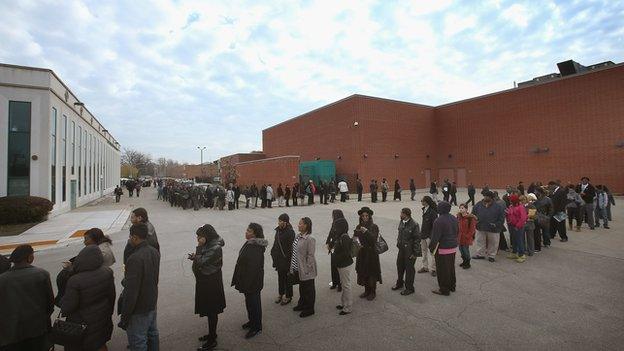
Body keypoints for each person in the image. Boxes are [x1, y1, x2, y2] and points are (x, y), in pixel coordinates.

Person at [60, 245, 116, 351]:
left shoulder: (75, 280)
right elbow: (111, 296)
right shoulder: (107, 272)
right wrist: (108, 313)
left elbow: (68, 307)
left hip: (81, 323)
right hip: (102, 318)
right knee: (100, 344)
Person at [0, 245, 54, 351]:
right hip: (37, 330)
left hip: (11, 333)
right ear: (29, 257)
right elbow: (50, 303)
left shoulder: (3, 279)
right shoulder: (42, 274)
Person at [118, 223, 161, 350]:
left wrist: (125, 316)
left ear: (135, 237)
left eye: (130, 236)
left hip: (139, 308)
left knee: (138, 342)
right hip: (151, 302)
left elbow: (131, 292)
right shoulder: (154, 252)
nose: (129, 239)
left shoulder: (135, 259)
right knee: (152, 334)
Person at [189, 224, 226, 350]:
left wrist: (198, 251)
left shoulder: (215, 247)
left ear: (207, 236)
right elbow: (202, 259)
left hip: (211, 282)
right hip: (206, 280)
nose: (198, 239)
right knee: (209, 309)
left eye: (200, 236)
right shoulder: (209, 244)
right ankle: (211, 334)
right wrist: (196, 256)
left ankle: (212, 340)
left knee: (212, 310)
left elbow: (203, 261)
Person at [231, 223, 267, 339]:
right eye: (247, 229)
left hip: (252, 281)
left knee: (254, 304)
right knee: (249, 303)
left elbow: (253, 267)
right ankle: (252, 321)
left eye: (249, 231)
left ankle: (256, 327)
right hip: (247, 279)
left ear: (255, 234)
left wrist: (246, 283)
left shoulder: (255, 246)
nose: (246, 232)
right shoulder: (250, 242)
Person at [429, 202, 459, 296]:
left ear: (441, 209)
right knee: (450, 268)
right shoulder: (454, 218)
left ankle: (444, 289)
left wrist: (431, 248)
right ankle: (452, 286)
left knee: (442, 270)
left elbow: (435, 237)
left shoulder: (438, 221)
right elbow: (457, 231)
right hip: (453, 247)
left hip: (443, 248)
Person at [354, 207, 382, 301]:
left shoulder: (374, 226)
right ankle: (366, 291)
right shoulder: (358, 226)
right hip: (362, 253)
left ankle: (372, 292)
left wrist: (366, 231)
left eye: (366, 215)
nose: (364, 217)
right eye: (363, 216)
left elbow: (373, 240)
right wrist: (356, 241)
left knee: (372, 273)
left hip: (371, 254)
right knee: (363, 272)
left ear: (369, 216)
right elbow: (355, 238)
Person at [291, 217, 317, 318]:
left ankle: (310, 308)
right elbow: (294, 251)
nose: (298, 225)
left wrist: (307, 269)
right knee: (302, 287)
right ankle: (302, 304)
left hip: (306, 269)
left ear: (306, 225)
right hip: (298, 267)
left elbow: (310, 255)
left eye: (300, 224)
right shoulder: (298, 236)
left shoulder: (310, 239)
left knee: (309, 289)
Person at [392, 208, 421, 296]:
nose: (400, 214)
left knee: (409, 270)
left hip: (410, 251)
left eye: (401, 213)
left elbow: (417, 239)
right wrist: (398, 243)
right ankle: (400, 283)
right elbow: (400, 234)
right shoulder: (401, 221)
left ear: (406, 214)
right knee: (400, 266)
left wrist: (415, 253)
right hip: (401, 249)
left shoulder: (414, 224)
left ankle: (409, 288)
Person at [472, 191, 505, 262]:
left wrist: (496, 224)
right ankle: (480, 254)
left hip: (493, 228)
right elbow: (473, 214)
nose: (485, 197)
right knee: (480, 241)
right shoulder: (478, 204)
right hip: (480, 226)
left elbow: (501, 218)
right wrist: (475, 221)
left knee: (493, 243)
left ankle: (491, 256)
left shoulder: (498, 206)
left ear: (491, 198)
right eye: (484, 196)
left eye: (487, 196)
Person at [270, 214, 295, 306]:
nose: (279, 222)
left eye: (281, 221)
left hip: (286, 259)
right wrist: (272, 252)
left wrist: (288, 259)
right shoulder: (278, 230)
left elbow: (291, 247)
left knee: (288, 278)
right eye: (279, 220)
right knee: (280, 277)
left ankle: (288, 296)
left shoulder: (290, 232)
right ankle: (281, 293)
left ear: (286, 222)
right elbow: (276, 242)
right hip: (278, 259)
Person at [331, 216, 353, 315]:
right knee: (344, 285)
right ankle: (343, 303)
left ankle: (347, 307)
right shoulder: (340, 236)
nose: (335, 229)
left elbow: (346, 252)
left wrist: (337, 256)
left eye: (336, 227)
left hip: (345, 265)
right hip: (340, 264)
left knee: (346, 286)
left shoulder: (344, 237)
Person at [326, 210, 346, 291]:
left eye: (333, 215)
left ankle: (340, 284)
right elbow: (330, 233)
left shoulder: (343, 223)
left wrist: (331, 243)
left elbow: (338, 235)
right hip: (333, 248)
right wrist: (328, 242)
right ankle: (335, 282)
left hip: (339, 247)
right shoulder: (334, 223)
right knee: (333, 266)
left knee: (339, 267)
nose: (332, 217)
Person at [506, 194, 528, 263]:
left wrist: (517, 226)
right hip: (512, 225)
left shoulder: (521, 207)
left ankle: (522, 255)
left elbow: (523, 218)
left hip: (518, 227)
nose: (510, 201)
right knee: (514, 240)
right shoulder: (511, 206)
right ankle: (514, 253)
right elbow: (510, 214)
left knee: (519, 240)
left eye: (511, 200)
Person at [418, 196, 438, 276]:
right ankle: (425, 267)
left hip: (429, 236)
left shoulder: (433, 212)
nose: (421, 202)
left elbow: (435, 225)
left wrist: (431, 236)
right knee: (423, 251)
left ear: (426, 202)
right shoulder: (424, 210)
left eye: (422, 200)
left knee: (432, 252)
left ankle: (434, 269)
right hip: (423, 234)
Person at [457, 203, 476, 269]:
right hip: (459, 237)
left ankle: (468, 263)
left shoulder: (470, 218)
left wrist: (468, 236)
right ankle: (464, 261)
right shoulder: (459, 217)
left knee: (465, 250)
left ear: (466, 209)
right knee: (461, 250)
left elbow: (472, 229)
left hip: (466, 238)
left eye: (462, 208)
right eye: (460, 208)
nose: (461, 209)